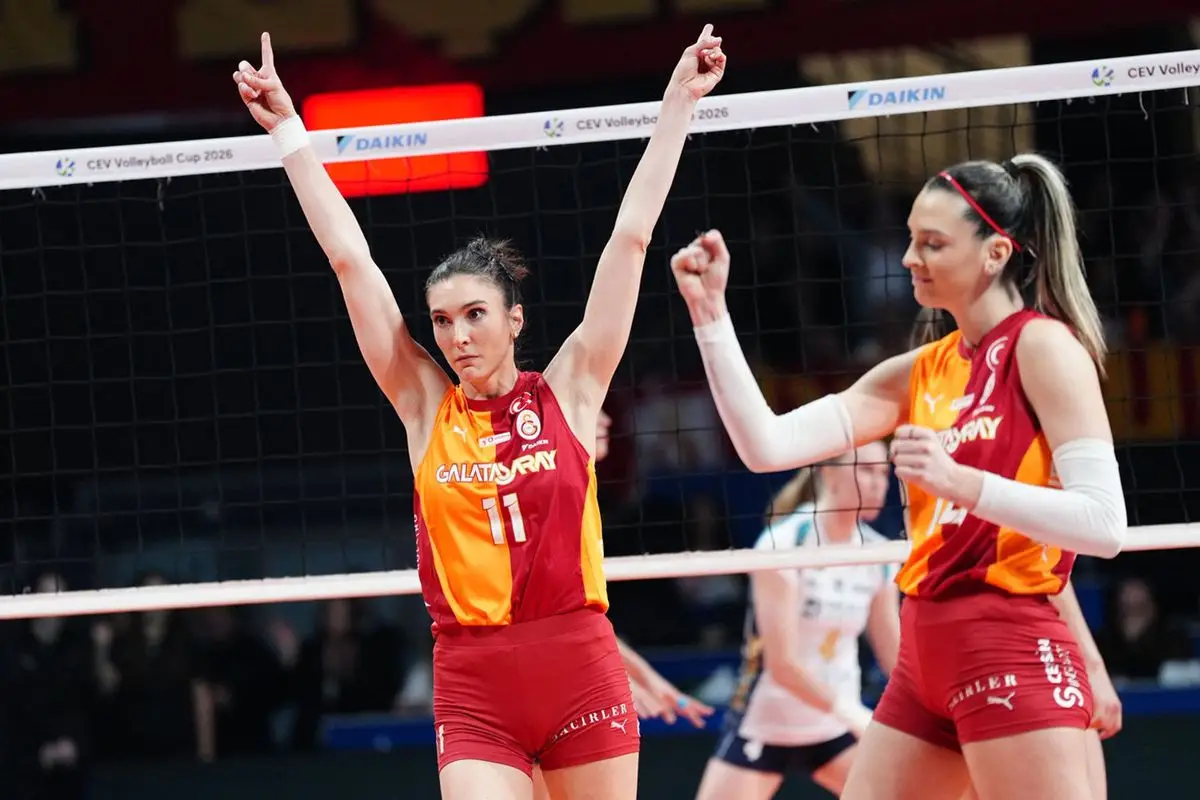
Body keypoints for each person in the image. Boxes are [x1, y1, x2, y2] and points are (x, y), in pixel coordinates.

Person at [233, 25, 725, 800]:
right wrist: (290, 132)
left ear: (515, 319)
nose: (457, 336)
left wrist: (678, 106)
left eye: (474, 315)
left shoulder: (570, 389)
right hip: (472, 682)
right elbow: (350, 262)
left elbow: (630, 240)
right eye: (441, 320)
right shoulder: (423, 404)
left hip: (579, 667)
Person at [670, 153, 1127, 800]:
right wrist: (710, 315)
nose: (910, 258)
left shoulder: (1044, 346)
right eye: (912, 239)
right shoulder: (919, 370)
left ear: (996, 253)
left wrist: (962, 484)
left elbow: (1104, 524)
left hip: (1005, 640)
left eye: (932, 243)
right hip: (924, 653)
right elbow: (766, 446)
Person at [694, 444, 900, 800]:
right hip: (768, 722)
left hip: (834, 730)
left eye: (884, 472)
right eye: (866, 469)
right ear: (828, 473)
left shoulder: (879, 553)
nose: (878, 482)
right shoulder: (784, 543)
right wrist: (854, 714)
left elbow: (893, 657)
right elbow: (782, 665)